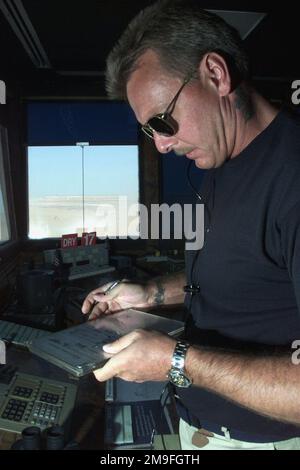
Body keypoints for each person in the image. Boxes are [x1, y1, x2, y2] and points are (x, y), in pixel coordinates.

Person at [82, 0, 300, 450]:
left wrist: (176, 360)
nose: (161, 145)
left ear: (216, 75)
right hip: (200, 425)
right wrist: (149, 294)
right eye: (149, 131)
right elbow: (238, 272)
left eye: (163, 121)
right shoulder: (220, 162)